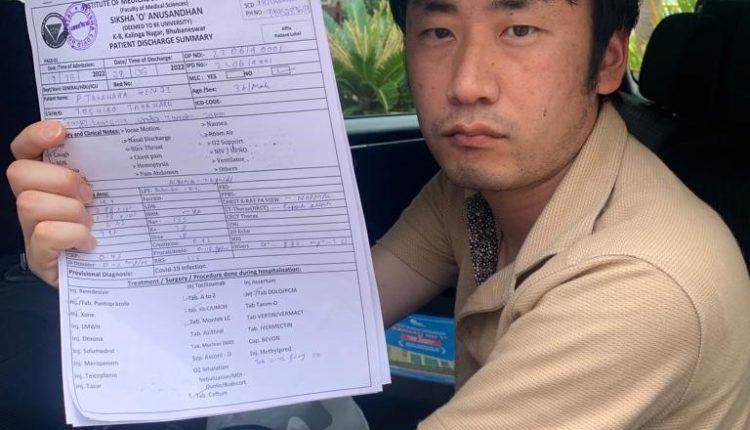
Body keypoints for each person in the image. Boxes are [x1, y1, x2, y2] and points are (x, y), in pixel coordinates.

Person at [6, 0, 750, 428]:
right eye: (438, 31)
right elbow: (314, 325)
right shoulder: (474, 192)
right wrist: (112, 275)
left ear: (608, 60)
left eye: (519, 29)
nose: (467, 82)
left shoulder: (641, 285)